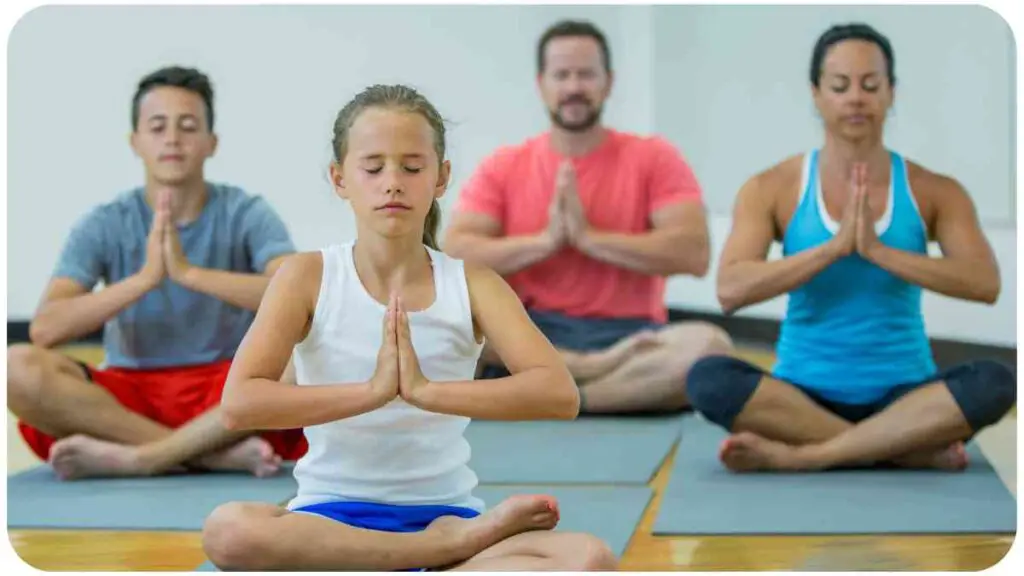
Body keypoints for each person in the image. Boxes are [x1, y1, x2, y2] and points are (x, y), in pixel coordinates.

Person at [199, 84, 617, 572]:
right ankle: (431, 558)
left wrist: (424, 391)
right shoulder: (306, 276)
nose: (392, 182)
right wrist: (373, 392)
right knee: (229, 530)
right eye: (373, 168)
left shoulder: (473, 283)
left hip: (448, 515)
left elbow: (558, 394)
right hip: (330, 524)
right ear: (339, 179)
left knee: (589, 559)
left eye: (412, 167)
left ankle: (428, 553)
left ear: (441, 178)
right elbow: (240, 404)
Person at [685, 23, 1016, 473]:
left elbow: (984, 282)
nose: (855, 97)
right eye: (840, 86)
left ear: (891, 93)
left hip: (906, 396)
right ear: (817, 94)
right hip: (802, 396)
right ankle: (902, 450)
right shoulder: (772, 188)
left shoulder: (935, 190)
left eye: (870, 84)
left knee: (996, 382)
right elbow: (730, 288)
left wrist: (880, 252)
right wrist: (833, 249)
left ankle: (809, 455)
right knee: (708, 379)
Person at [6, 66, 307, 480]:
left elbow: (301, 296)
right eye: (157, 126)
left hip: (227, 392)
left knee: (310, 362)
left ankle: (143, 457)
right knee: (16, 369)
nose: (172, 139)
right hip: (130, 397)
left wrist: (188, 274)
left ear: (211, 143)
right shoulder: (106, 222)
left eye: (187, 126)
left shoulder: (246, 212)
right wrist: (144, 279)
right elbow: (45, 330)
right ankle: (206, 455)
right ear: (135, 142)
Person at [444, 19, 733, 415]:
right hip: (528, 331)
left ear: (608, 83)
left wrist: (590, 238)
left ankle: (565, 398)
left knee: (709, 347)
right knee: (442, 324)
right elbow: (456, 256)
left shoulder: (654, 157)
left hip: (630, 339)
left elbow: (694, 253)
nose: (574, 87)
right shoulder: (505, 165)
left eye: (586, 74)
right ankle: (592, 375)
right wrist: (545, 242)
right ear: (541, 84)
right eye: (562, 75)